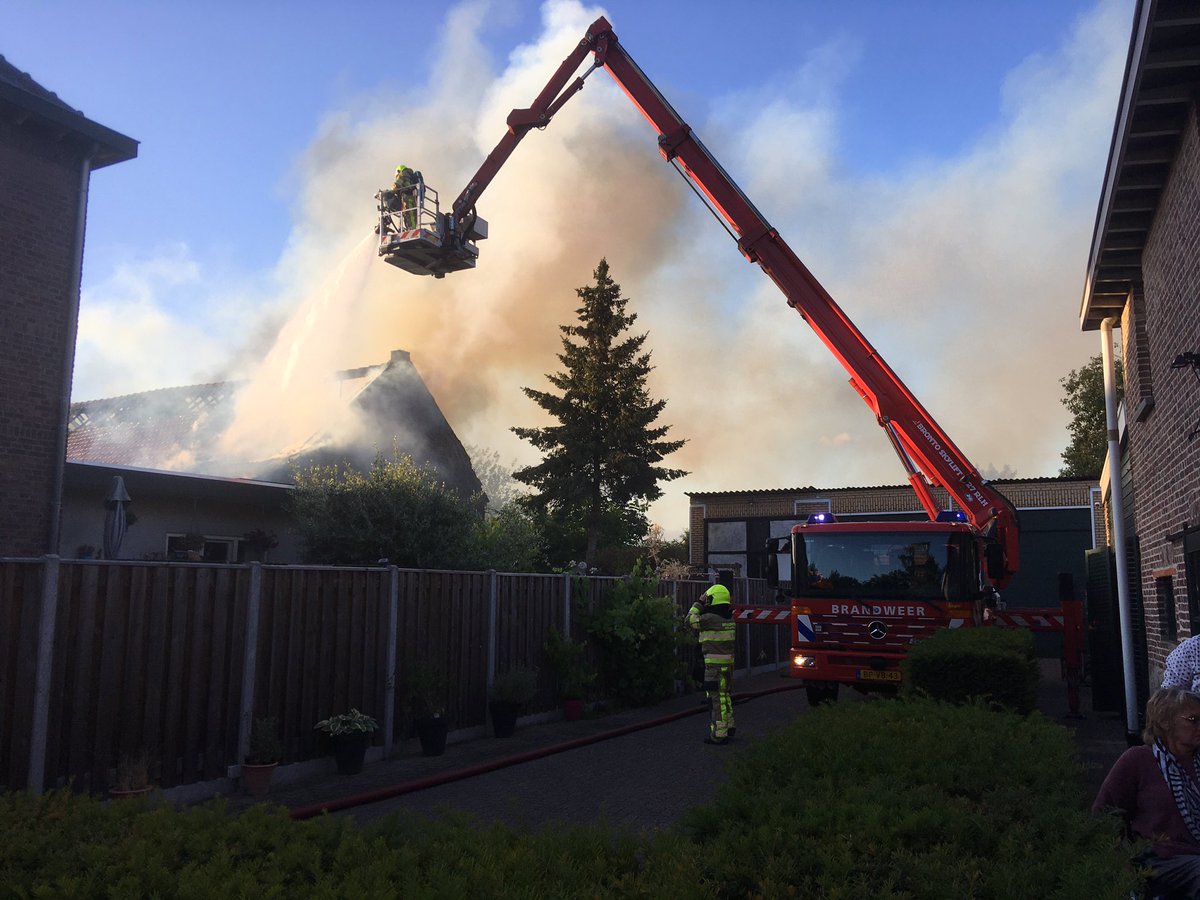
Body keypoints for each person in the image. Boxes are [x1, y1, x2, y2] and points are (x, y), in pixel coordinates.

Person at [1093, 687, 1200, 897]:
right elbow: (1103, 815)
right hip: (1161, 859)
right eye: (1193, 720)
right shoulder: (1138, 760)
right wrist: (1119, 863)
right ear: (1165, 722)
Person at [686, 583, 736, 745]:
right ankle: (729, 726)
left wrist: (699, 603)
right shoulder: (730, 619)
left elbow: (689, 620)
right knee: (725, 697)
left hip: (714, 667)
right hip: (728, 665)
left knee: (715, 700)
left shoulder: (709, 619)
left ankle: (719, 734)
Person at [390, 164, 423, 229]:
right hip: (409, 198)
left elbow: (398, 184)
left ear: (399, 171)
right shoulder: (409, 175)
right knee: (409, 214)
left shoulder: (404, 174)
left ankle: (412, 228)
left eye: (397, 176)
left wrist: (392, 190)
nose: (397, 178)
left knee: (410, 214)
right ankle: (410, 228)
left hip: (408, 198)